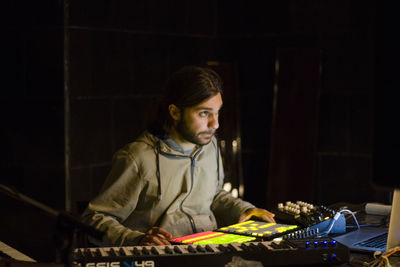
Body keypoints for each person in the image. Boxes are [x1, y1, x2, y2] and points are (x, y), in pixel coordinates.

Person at [81, 65, 275, 246]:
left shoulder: (210, 145)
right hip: (164, 258)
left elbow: (213, 195)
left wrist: (244, 209)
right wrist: (137, 239)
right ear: (175, 112)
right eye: (204, 113)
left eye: (217, 112)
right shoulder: (138, 157)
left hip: (206, 250)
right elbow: (95, 218)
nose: (215, 124)